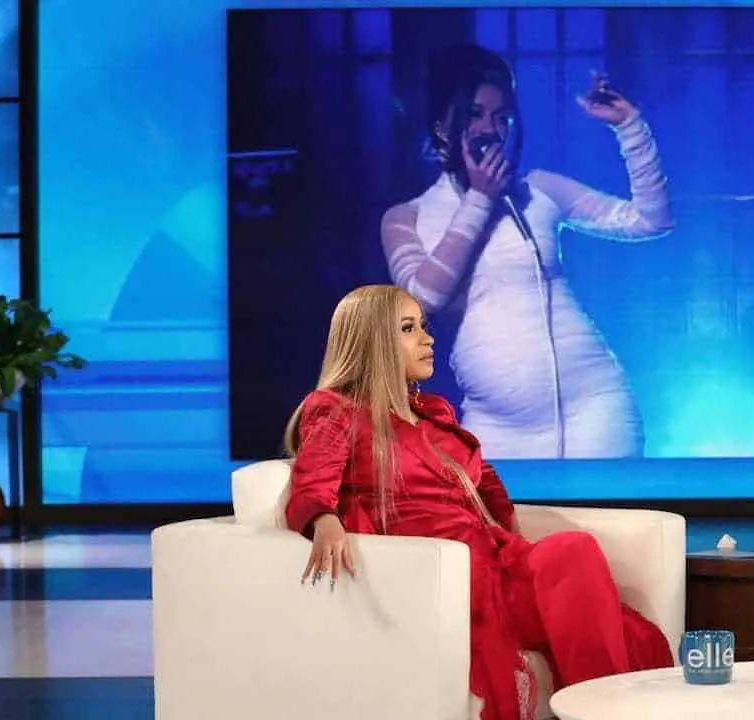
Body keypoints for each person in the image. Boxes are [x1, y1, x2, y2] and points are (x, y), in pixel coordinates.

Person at [282, 285, 673, 720]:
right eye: (409, 329)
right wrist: (324, 520)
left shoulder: (434, 413)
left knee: (575, 557)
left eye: (424, 326)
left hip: (497, 561)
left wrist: (508, 533)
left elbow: (486, 481)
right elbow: (312, 481)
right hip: (448, 580)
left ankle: (602, 709)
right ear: (371, 341)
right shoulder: (336, 409)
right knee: (571, 555)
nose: (428, 339)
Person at [380, 43, 674, 460]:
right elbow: (423, 299)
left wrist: (630, 128)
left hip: (595, 409)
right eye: (475, 114)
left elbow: (651, 220)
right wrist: (480, 200)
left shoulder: (538, 190)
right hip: (496, 428)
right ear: (442, 124)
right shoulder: (406, 218)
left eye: (501, 117)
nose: (489, 129)